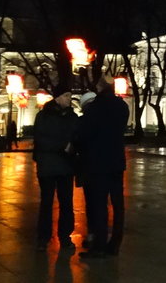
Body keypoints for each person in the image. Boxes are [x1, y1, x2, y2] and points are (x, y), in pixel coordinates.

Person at [76, 75, 129, 259]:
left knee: (100, 205)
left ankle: (99, 245)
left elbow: (84, 134)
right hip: (117, 161)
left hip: (98, 163)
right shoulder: (122, 106)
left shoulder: (95, 108)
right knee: (118, 204)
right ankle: (115, 244)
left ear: (99, 87)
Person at [33, 84, 78, 251]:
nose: (69, 99)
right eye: (66, 96)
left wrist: (73, 147)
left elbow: (77, 137)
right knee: (47, 202)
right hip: (48, 166)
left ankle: (64, 236)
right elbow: (40, 139)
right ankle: (43, 237)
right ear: (58, 97)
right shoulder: (43, 116)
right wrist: (62, 146)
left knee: (66, 203)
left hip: (65, 166)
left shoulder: (72, 117)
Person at [75, 91, 97, 250]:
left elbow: (76, 143)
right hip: (103, 167)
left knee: (91, 202)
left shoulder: (81, 122)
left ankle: (92, 234)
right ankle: (99, 235)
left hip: (87, 167)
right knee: (101, 203)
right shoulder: (105, 121)